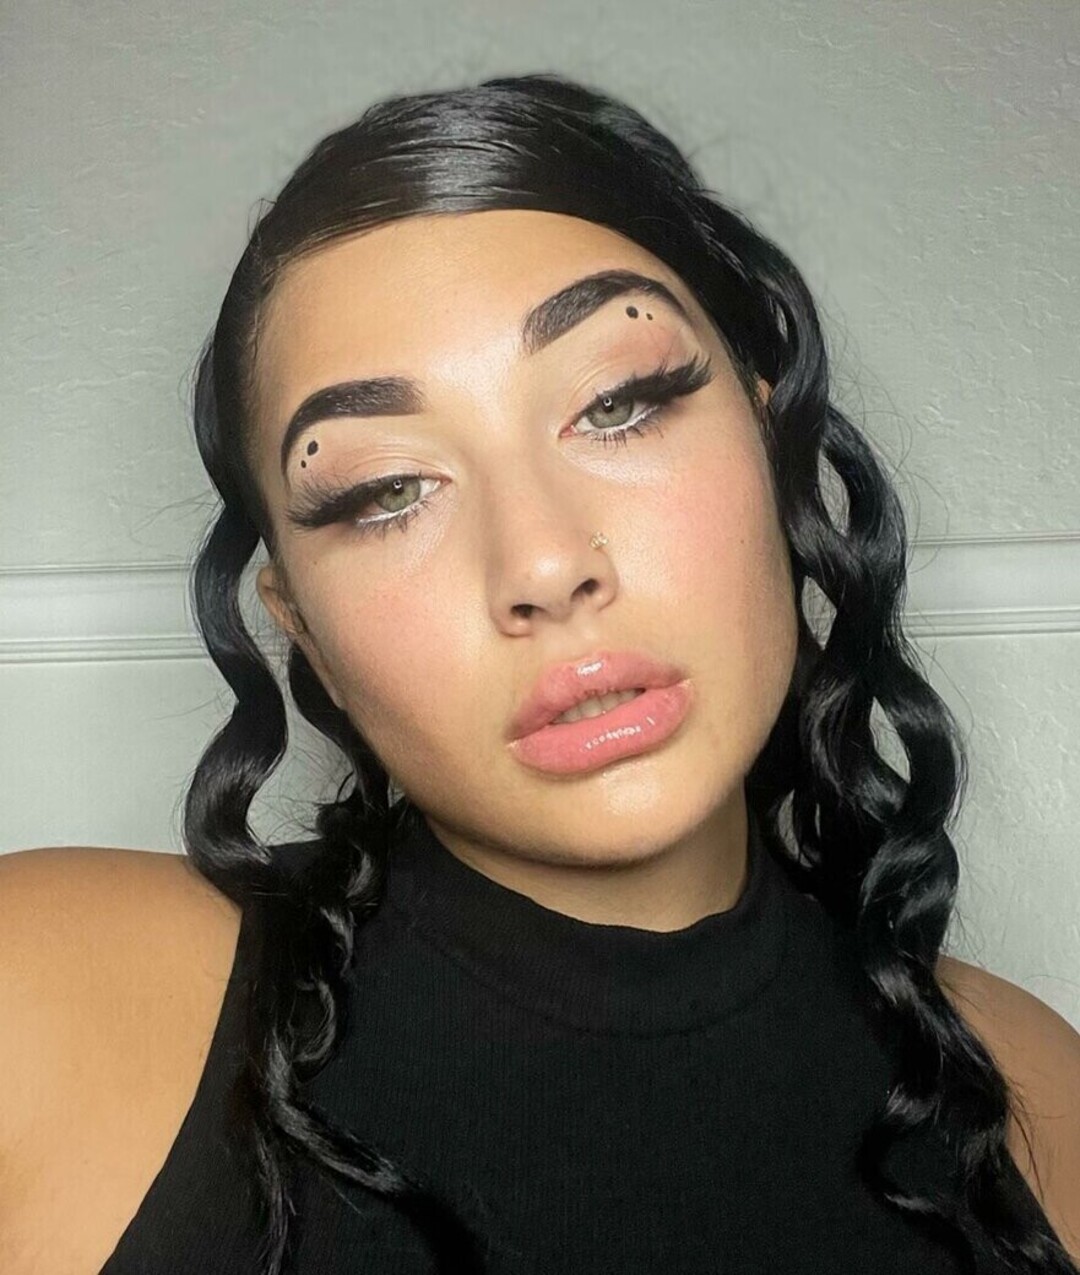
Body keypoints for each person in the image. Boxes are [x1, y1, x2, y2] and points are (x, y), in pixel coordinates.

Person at [1, 72, 1077, 1275]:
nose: (545, 565)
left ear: (777, 456)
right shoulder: (37, 998)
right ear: (302, 629)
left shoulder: (1037, 1090)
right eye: (384, 491)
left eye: (620, 403)